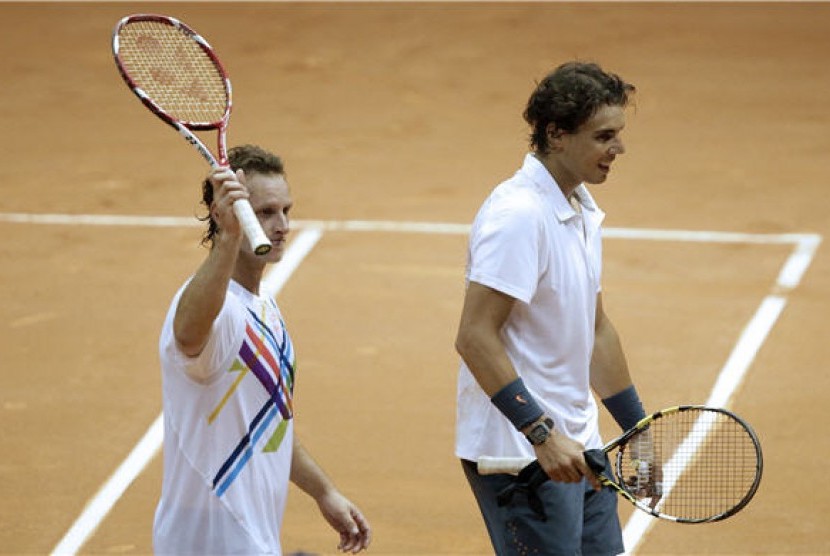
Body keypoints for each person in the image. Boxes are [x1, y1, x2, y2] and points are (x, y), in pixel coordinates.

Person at [454, 62, 654, 555]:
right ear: (556, 135)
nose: (619, 149)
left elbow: (597, 330)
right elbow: (475, 335)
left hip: (579, 445)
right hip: (522, 456)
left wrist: (636, 431)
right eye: (604, 136)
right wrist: (540, 433)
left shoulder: (580, 208)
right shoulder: (519, 215)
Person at [153, 144, 372, 555]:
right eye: (266, 213)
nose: (283, 224)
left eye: (286, 210)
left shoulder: (264, 304)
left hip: (251, 535)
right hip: (208, 538)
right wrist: (228, 238)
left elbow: (268, 425)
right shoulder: (219, 310)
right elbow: (187, 334)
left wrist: (324, 491)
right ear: (226, 215)